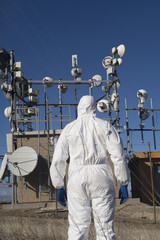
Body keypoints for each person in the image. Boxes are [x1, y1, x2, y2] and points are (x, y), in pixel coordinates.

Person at [50, 95, 129, 240]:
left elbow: (58, 158)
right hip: (101, 175)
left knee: (78, 227)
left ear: (79, 108)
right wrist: (123, 182)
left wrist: (59, 185)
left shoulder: (69, 128)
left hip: (77, 176)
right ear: (94, 107)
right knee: (105, 226)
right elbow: (118, 155)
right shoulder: (105, 126)